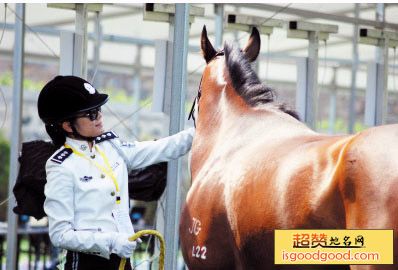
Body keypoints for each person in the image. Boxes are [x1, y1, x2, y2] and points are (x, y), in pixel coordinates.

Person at [37, 75, 195, 270]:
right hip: (88, 263)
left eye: (99, 110)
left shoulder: (112, 147)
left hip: (122, 258)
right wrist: (111, 241)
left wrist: (203, 128)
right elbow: (60, 235)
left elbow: (163, 148)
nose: (100, 116)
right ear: (67, 126)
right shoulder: (61, 166)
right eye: (91, 114)